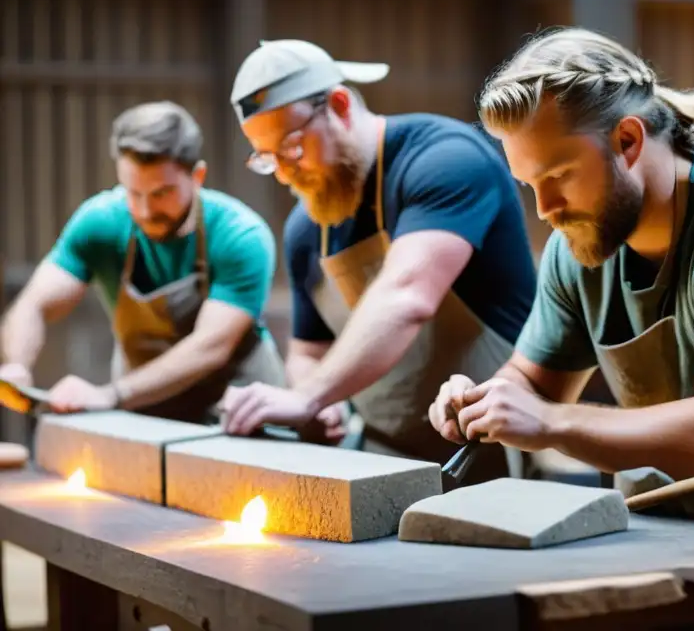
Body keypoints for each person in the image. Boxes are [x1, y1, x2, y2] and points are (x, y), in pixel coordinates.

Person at [428, 27, 694, 520]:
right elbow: (532, 384)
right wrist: (483, 402)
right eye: (529, 184)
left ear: (627, 140)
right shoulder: (580, 241)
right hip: (674, 521)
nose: (544, 209)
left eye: (559, 176)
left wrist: (552, 422)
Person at [219, 39, 538, 480]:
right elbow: (309, 351)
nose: (286, 171)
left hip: (491, 451)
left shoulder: (446, 161)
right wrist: (320, 402)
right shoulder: (306, 230)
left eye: (291, 146)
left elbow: (407, 297)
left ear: (338, 104)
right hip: (383, 455)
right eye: (268, 159)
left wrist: (309, 395)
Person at [0, 102, 287, 424]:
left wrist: (110, 394)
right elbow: (34, 304)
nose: (146, 210)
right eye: (134, 193)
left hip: (239, 415)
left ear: (198, 176)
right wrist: (16, 366)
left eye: (162, 193)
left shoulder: (240, 235)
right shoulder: (101, 222)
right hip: (145, 414)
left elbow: (211, 346)